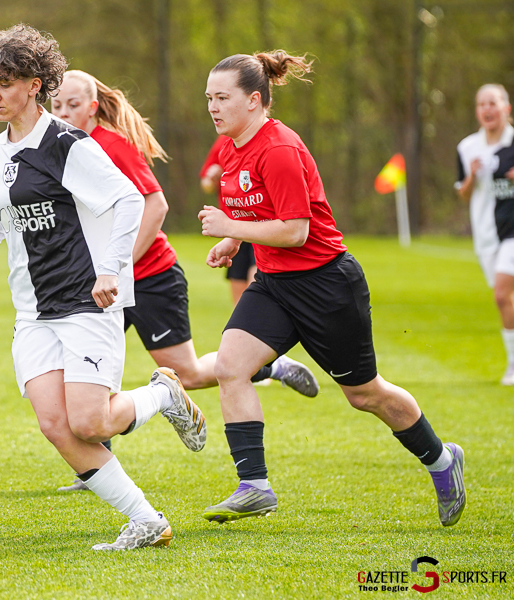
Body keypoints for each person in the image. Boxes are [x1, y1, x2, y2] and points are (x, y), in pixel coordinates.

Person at [0, 24, 207, 551]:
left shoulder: (67, 144)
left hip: (85, 301)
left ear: (34, 83)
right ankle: (146, 520)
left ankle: (162, 394)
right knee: (57, 425)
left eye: (4, 83)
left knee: (91, 421)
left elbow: (130, 200)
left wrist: (112, 269)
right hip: (32, 311)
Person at [198, 51, 465, 527]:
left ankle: (441, 459)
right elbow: (262, 213)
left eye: (223, 97)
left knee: (364, 395)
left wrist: (232, 224)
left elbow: (296, 230)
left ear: (255, 100)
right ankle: (254, 485)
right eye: (209, 98)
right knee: (231, 367)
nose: (213, 107)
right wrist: (231, 239)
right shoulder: (231, 148)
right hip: (275, 284)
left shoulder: (278, 147)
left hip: (326, 285)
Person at [49, 69, 320, 492]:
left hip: (150, 277)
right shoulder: (64, 147)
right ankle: (98, 469)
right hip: (101, 285)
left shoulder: (112, 146)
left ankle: (266, 365)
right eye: (56, 105)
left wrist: (117, 266)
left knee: (188, 374)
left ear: (93, 106)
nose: (63, 112)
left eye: (72, 104)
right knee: (78, 372)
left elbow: (156, 205)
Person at [455, 84, 514, 385]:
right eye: (481, 104)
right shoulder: (467, 148)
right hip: (486, 235)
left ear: (507, 108)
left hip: (512, 233)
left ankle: (513, 368)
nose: (487, 109)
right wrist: (470, 179)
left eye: (493, 103)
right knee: (507, 298)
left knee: (502, 294)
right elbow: (463, 195)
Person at [200, 135, 256, 305]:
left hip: (261, 225)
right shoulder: (224, 141)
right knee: (239, 299)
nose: (215, 109)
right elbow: (206, 184)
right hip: (234, 226)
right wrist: (211, 178)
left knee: (257, 285)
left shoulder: (265, 141)